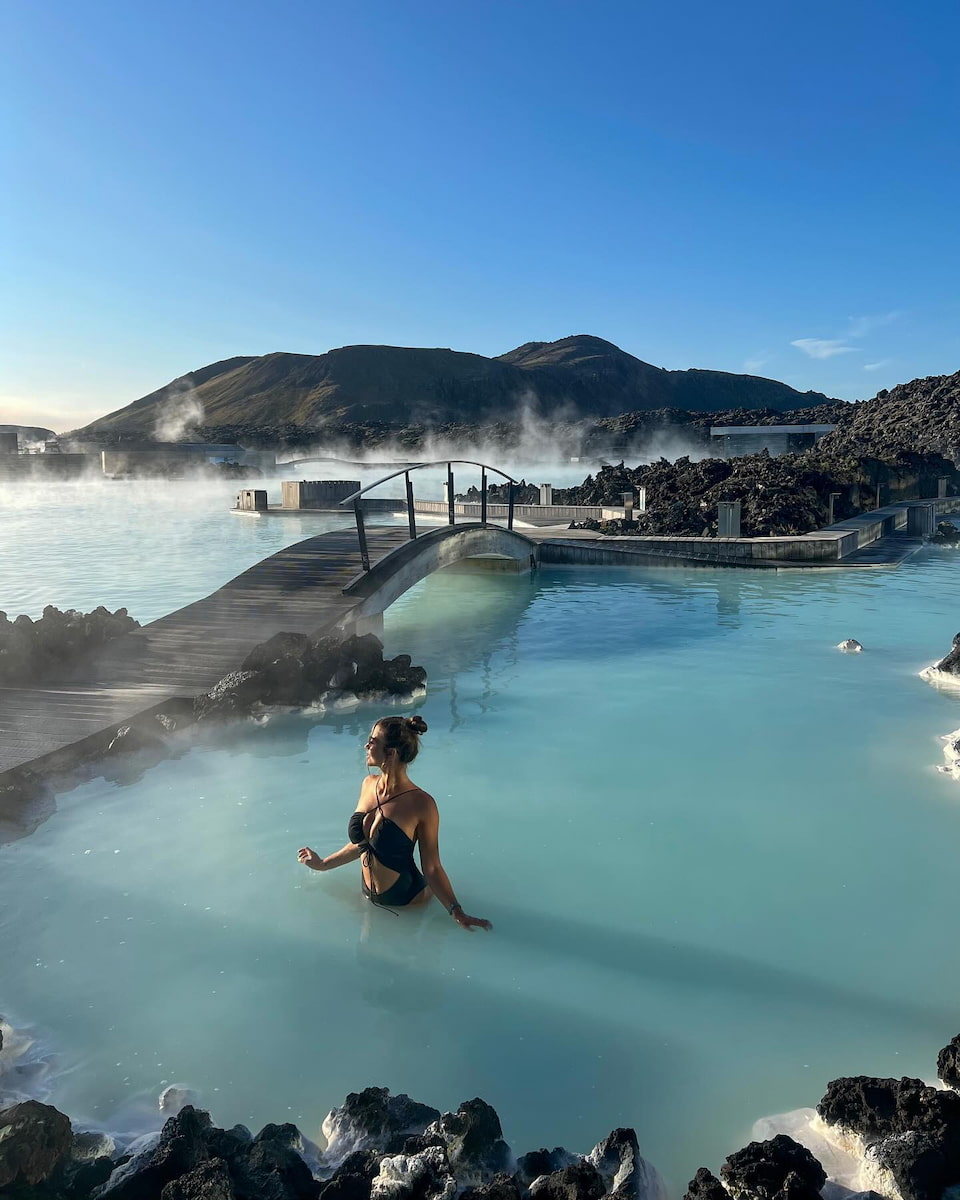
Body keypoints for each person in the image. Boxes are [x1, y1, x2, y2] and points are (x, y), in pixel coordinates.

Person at [297, 715, 491, 931]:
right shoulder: (368, 784)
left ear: (391, 753)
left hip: (408, 901)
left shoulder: (421, 804)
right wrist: (323, 865)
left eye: (373, 741)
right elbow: (363, 844)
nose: (366, 745)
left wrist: (456, 911)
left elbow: (432, 867)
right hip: (369, 897)